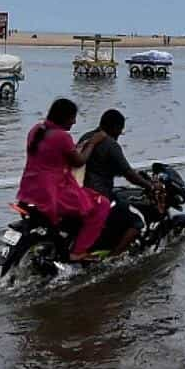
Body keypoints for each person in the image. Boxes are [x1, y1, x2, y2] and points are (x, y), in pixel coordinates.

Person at [17, 98, 111, 261]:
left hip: (28, 191)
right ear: (64, 117)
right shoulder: (62, 137)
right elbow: (79, 161)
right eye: (72, 118)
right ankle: (78, 251)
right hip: (51, 194)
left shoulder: (35, 130)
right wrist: (93, 143)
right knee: (101, 204)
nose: (74, 122)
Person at [79, 109, 155, 255]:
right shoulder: (110, 144)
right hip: (99, 195)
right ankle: (113, 259)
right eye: (120, 130)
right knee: (136, 221)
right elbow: (129, 174)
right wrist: (149, 185)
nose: (120, 133)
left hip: (80, 193)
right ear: (114, 127)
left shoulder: (86, 137)